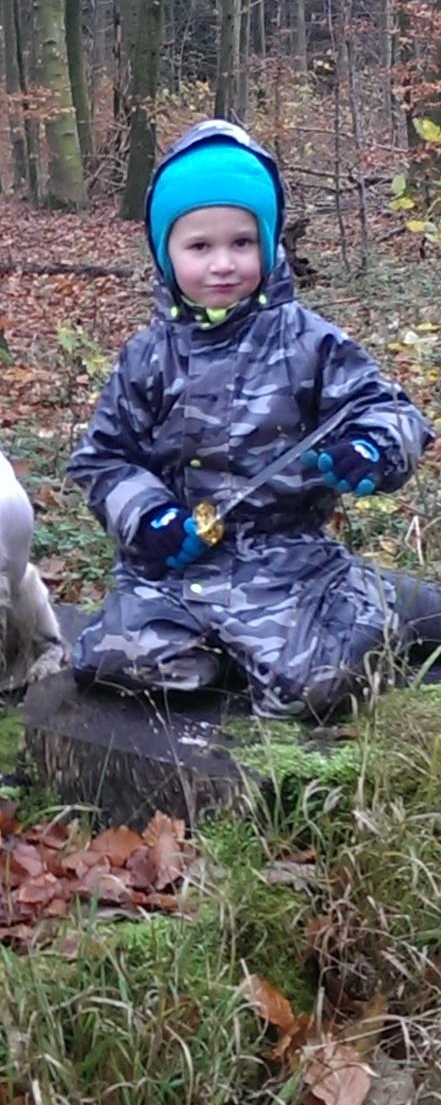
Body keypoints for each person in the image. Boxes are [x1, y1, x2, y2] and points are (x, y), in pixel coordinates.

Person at [68, 118, 440, 718]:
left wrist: (371, 449)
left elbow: (391, 411)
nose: (223, 264)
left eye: (242, 243)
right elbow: (103, 457)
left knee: (311, 689)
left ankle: (385, 604)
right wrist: (149, 516)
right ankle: (230, 650)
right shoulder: (147, 356)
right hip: (174, 569)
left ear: (269, 245)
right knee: (110, 658)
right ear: (165, 254)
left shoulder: (308, 341)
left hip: (289, 565)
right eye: (199, 247)